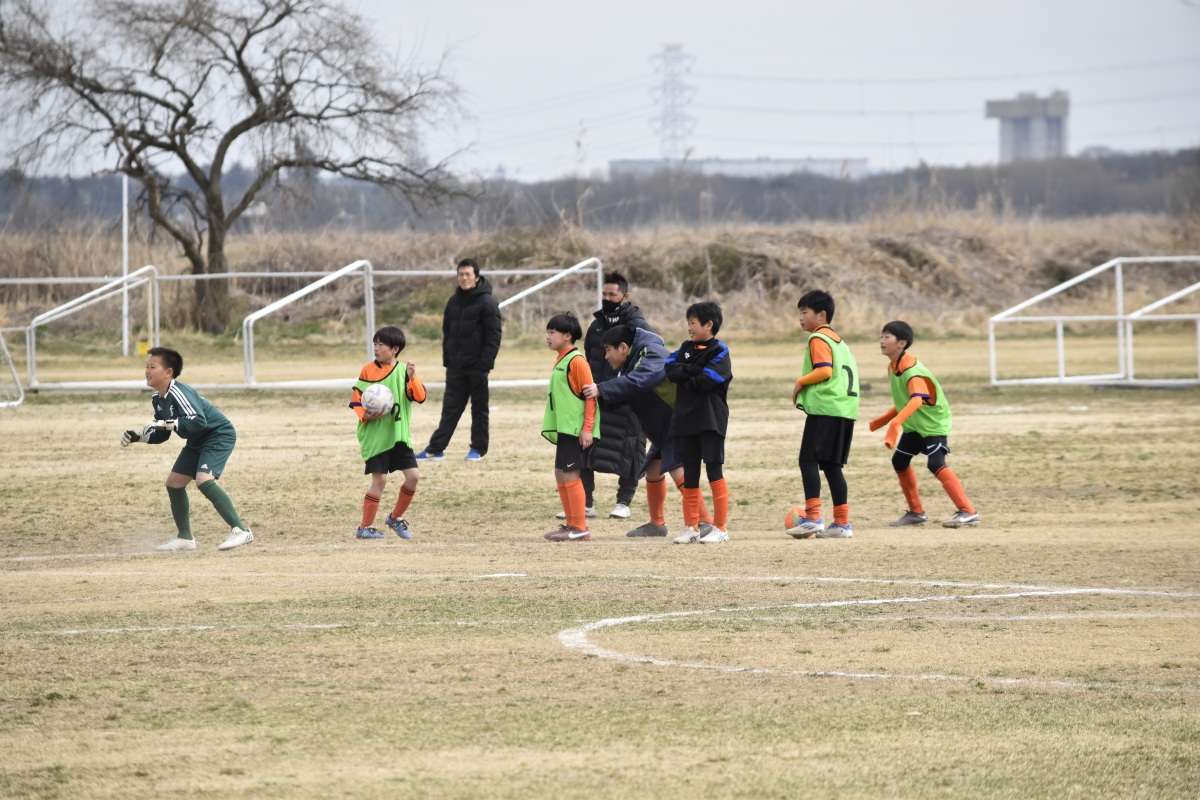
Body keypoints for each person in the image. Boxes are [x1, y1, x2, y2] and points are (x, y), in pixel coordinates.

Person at [584, 324, 717, 538]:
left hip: (681, 420)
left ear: (623, 347)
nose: (606, 356)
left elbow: (641, 381)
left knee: (676, 467)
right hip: (666, 425)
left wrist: (601, 388)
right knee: (654, 469)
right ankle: (657, 524)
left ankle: (705, 521)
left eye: (608, 350)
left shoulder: (651, 352)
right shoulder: (633, 359)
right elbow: (627, 393)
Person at [119, 346, 254, 552]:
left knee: (203, 480)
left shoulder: (179, 391)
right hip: (196, 441)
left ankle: (241, 531)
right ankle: (185, 538)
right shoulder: (157, 398)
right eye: (146, 367)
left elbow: (198, 421)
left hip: (217, 435)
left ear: (168, 372)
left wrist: (165, 423)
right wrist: (139, 437)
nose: (147, 371)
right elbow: (163, 434)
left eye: (152, 367)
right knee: (174, 483)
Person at [870, 320, 980, 528]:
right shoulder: (893, 367)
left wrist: (895, 424)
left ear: (901, 343)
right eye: (881, 336)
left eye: (887, 337)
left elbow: (917, 400)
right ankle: (916, 513)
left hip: (932, 424)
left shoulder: (912, 370)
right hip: (915, 425)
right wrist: (883, 420)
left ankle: (968, 511)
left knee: (935, 464)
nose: (882, 341)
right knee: (899, 461)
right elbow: (905, 400)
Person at [572, 271, 654, 521]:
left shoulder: (637, 326)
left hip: (628, 400)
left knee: (630, 449)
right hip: (596, 396)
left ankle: (623, 502)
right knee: (586, 446)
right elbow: (589, 359)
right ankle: (586, 502)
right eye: (604, 294)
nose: (607, 299)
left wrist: (625, 386)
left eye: (612, 294)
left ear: (625, 297)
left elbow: (649, 360)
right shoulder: (596, 325)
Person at [787, 290, 859, 540]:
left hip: (827, 408)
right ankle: (842, 523)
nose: (800, 318)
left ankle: (812, 518)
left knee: (807, 460)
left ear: (821, 315)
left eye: (804, 312)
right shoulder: (840, 342)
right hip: (845, 410)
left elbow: (824, 370)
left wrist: (800, 382)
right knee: (831, 466)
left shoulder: (818, 338)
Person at [416, 258, 502, 462]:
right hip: (455, 367)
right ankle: (436, 449)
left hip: (477, 367)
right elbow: (447, 332)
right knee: (450, 409)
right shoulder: (453, 302)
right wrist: (448, 359)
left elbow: (494, 336)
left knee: (479, 410)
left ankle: (478, 449)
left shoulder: (488, 303)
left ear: (476, 277)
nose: (464, 278)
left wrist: (485, 364)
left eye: (468, 274)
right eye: (460, 274)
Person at [663, 301, 732, 544]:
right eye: (688, 323)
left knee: (714, 471)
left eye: (692, 323)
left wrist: (686, 373)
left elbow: (708, 379)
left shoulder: (720, 351)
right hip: (685, 419)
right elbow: (669, 368)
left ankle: (720, 529)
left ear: (708, 324)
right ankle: (692, 527)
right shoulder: (685, 347)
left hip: (710, 419)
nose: (689, 327)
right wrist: (692, 371)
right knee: (690, 473)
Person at [350, 326, 427, 539]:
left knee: (413, 476)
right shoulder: (368, 371)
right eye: (375, 344)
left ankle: (395, 518)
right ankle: (364, 527)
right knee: (380, 481)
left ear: (395, 349)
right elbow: (356, 401)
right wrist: (366, 415)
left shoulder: (405, 371)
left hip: (399, 435)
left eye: (381, 345)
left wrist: (412, 377)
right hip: (377, 437)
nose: (376, 348)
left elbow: (420, 397)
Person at [542, 312, 600, 542]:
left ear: (567, 335)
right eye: (547, 332)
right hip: (565, 428)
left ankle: (579, 526)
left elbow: (590, 397)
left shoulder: (577, 361)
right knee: (560, 472)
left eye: (552, 332)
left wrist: (587, 428)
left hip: (575, 429)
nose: (548, 337)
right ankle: (571, 524)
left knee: (570, 473)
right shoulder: (562, 359)